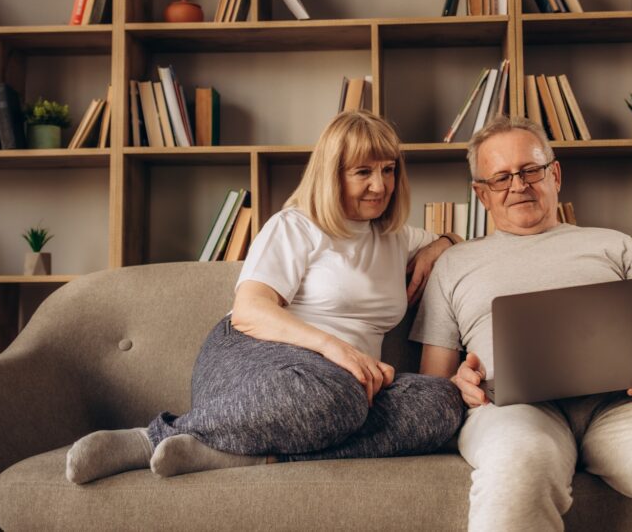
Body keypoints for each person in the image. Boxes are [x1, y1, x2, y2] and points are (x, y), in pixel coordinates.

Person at [66, 110, 464, 484]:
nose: (380, 185)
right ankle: (154, 437)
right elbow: (249, 310)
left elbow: (464, 248)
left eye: (388, 170)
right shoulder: (295, 226)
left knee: (442, 401)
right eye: (363, 172)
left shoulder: (397, 237)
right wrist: (337, 350)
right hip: (253, 357)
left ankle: (244, 454)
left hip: (346, 388)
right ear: (331, 175)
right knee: (338, 397)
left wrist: (442, 242)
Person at [412, 116, 632, 531]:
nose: (519, 185)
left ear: (554, 173)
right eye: (501, 178)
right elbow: (433, 379)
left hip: (625, 404)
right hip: (510, 410)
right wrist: (457, 384)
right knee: (518, 466)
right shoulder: (452, 265)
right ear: (481, 194)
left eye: (531, 170)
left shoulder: (613, 244)